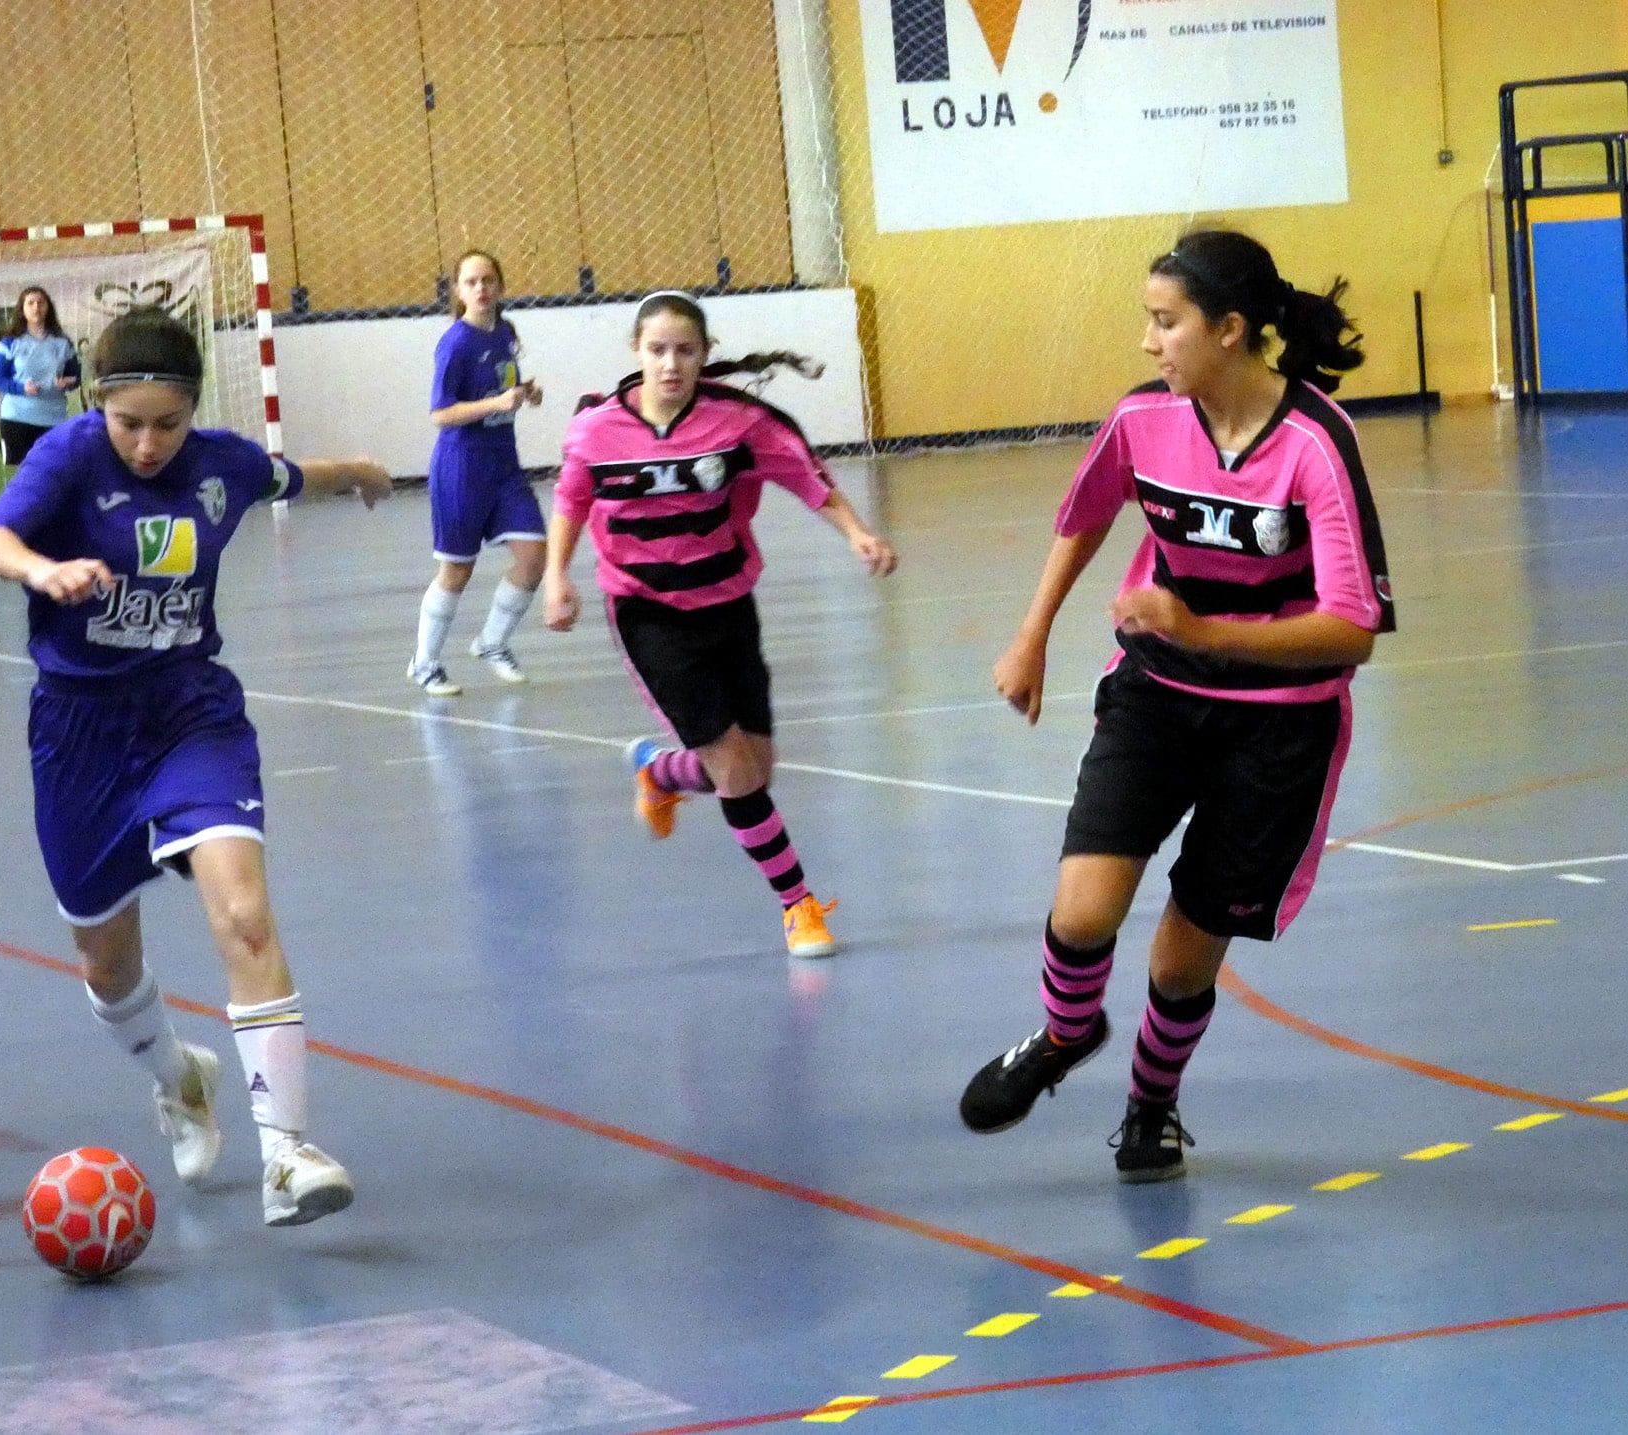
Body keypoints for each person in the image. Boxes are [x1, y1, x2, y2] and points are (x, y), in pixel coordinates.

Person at [957, 230, 1395, 1182]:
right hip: (1155, 696)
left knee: (1179, 961)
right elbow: (1085, 514)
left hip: (1280, 726)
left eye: (1166, 323)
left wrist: (1201, 628)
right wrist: (1031, 632)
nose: (1150, 343)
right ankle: (1065, 1034)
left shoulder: (1316, 444)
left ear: (1229, 330)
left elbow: (1351, 627)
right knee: (1082, 910)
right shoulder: (1143, 421)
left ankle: (1150, 1105)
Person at [0, 309, 392, 1227]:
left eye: (169, 423)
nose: (150, 443)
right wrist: (43, 572)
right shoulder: (71, 457)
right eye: (131, 424)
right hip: (79, 730)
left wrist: (356, 471)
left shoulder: (221, 464)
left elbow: (289, 476)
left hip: (189, 711)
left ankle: (287, 1152)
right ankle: (177, 1074)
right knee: (105, 958)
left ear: (194, 410)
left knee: (242, 912)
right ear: (99, 408)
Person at [543, 290, 898, 958]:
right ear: (635, 352)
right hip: (649, 613)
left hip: (728, 605)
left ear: (704, 356)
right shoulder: (597, 431)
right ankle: (798, 905)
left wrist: (856, 532)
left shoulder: (735, 423)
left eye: (684, 351)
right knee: (736, 771)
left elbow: (804, 474)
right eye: (656, 350)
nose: (670, 364)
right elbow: (570, 498)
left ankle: (661, 772)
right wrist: (558, 575)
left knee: (754, 768)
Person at [408, 250, 547, 697]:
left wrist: (524, 393)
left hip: (503, 466)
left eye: (488, 279)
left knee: (533, 557)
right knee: (456, 572)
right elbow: (440, 413)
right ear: (458, 291)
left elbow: (501, 388)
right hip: (461, 469)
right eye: (471, 282)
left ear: (500, 285)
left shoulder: (505, 333)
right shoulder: (456, 343)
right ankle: (425, 663)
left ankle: (492, 643)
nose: (481, 288)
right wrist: (494, 404)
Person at [0, 286, 82, 466]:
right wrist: (21, 388)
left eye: (41, 302)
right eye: (30, 303)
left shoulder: (63, 342)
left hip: (53, 418)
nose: (36, 307)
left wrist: (68, 382)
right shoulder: (10, 342)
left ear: (48, 307)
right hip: (18, 418)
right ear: (22, 309)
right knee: (23, 475)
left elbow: (75, 376)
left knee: (55, 472)